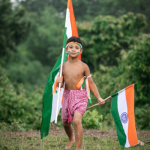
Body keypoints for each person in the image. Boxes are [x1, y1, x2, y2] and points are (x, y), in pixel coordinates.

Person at [57, 36, 105, 150]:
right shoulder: (62, 66)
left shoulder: (84, 66)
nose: (73, 49)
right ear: (67, 49)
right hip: (67, 96)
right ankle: (71, 139)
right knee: (65, 122)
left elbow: (91, 83)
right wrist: (59, 82)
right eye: (71, 47)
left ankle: (78, 148)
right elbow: (60, 86)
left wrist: (99, 97)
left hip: (80, 96)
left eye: (76, 47)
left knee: (76, 121)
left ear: (81, 51)